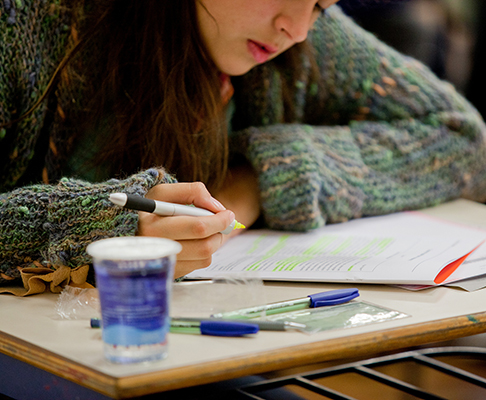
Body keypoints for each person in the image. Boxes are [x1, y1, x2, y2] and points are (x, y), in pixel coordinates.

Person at [2, 0, 486, 293]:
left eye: (320, 6)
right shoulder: (24, 24)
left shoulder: (303, 41)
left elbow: (462, 136)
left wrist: (262, 175)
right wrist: (102, 225)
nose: (295, 29)